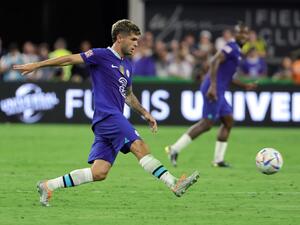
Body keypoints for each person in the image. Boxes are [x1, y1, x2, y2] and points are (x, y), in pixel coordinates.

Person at [13, 19, 199, 207]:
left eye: (138, 40)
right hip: (108, 116)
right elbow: (69, 59)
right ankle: (174, 183)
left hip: (107, 121)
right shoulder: (101, 55)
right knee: (139, 146)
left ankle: (47, 185)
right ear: (120, 38)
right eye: (133, 39)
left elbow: (128, 94)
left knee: (99, 172)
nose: (137, 44)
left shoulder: (128, 66)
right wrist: (36, 65)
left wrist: (145, 113)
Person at [165, 22, 256, 168]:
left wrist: (245, 85)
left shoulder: (237, 51)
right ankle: (174, 149)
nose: (244, 36)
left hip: (219, 89)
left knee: (228, 121)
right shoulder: (231, 47)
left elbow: (228, 77)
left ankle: (218, 160)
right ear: (235, 34)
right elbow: (214, 61)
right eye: (241, 33)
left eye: (246, 33)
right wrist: (213, 86)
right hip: (213, 89)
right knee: (206, 124)